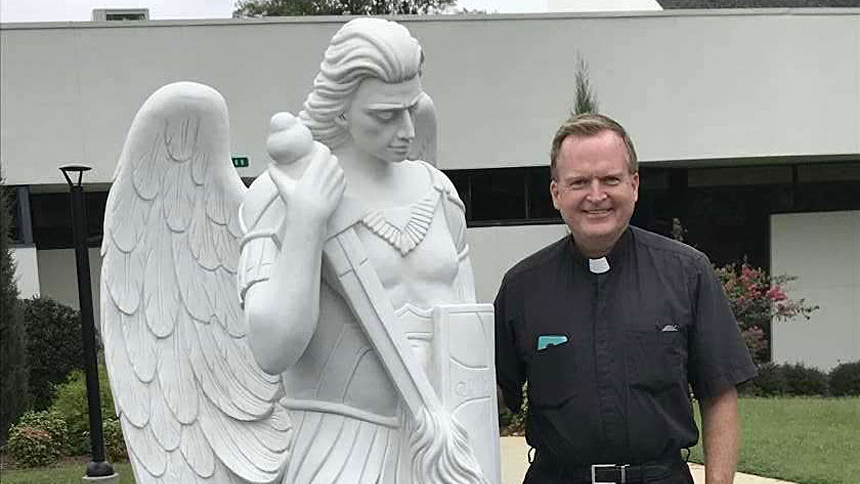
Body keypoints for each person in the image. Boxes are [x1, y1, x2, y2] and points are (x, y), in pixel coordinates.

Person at [239, 18, 490, 484]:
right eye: (385, 115)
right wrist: (307, 223)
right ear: (340, 110)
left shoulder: (439, 192)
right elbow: (271, 348)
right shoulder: (282, 194)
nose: (408, 130)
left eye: (411, 109)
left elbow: (467, 336)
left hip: (442, 441)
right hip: (337, 447)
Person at [494, 113, 757, 484]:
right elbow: (490, 395)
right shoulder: (522, 287)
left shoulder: (687, 274)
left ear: (634, 185)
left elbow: (719, 395)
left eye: (611, 179)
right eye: (579, 182)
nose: (596, 195)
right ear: (556, 194)